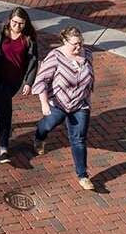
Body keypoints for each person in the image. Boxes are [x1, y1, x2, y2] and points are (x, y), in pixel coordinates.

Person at [32, 25, 97, 191]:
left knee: (79, 139)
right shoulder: (55, 56)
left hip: (80, 104)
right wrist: (44, 103)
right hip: (58, 102)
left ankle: (83, 176)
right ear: (64, 41)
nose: (79, 47)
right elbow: (41, 81)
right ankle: (39, 136)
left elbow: (90, 78)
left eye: (81, 43)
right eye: (75, 44)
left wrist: (88, 97)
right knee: (49, 124)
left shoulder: (87, 54)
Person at [0, 7, 40, 161]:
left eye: (21, 23)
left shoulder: (29, 38)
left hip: (14, 80)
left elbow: (33, 61)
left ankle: (1, 125)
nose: (17, 26)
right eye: (15, 22)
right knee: (5, 110)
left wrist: (28, 82)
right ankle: (3, 147)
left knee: (2, 107)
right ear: (9, 20)